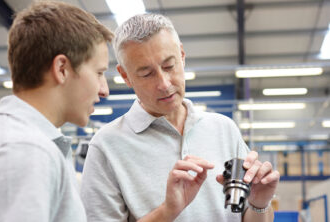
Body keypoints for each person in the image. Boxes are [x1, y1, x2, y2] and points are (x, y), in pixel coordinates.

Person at [80, 13, 279, 222]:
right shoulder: (106, 146)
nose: (164, 84)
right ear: (125, 76)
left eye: (169, 66)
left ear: (182, 55)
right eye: (146, 74)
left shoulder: (224, 129)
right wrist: (167, 211)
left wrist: (259, 204)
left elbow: (249, 216)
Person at [0, 1, 113, 221]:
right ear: (62, 69)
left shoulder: (29, 144)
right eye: (99, 73)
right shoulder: (22, 151)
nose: (105, 90)